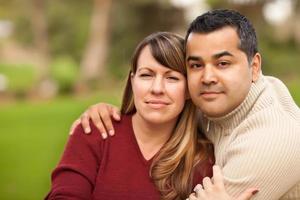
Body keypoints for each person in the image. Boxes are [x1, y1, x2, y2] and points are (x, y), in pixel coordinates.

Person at [74, 9, 300, 200]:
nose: (207, 77)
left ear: (254, 66)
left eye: (223, 63)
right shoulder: (211, 103)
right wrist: (102, 111)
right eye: (196, 65)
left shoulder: (273, 142)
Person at [46, 32, 256, 200]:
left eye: (172, 78)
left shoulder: (204, 161)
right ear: (133, 80)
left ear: (189, 90)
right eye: (146, 75)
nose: (157, 88)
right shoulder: (95, 131)